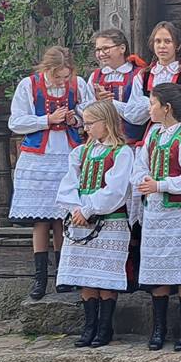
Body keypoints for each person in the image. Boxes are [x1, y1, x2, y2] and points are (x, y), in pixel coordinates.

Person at [8, 46, 96, 299]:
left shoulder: (78, 84)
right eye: (58, 76)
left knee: (62, 215)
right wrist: (47, 119)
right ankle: (40, 278)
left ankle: (63, 274)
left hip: (67, 154)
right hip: (38, 157)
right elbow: (15, 121)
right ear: (47, 70)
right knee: (41, 218)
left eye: (66, 76)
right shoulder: (29, 84)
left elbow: (90, 113)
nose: (63, 81)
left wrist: (75, 120)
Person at [56, 99, 142, 348]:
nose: (87, 128)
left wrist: (89, 208)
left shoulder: (122, 152)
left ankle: (105, 328)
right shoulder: (80, 152)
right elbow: (69, 184)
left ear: (106, 122)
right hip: (80, 221)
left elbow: (116, 190)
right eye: (86, 123)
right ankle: (89, 326)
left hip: (109, 221)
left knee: (105, 276)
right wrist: (76, 209)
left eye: (92, 123)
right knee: (85, 276)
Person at [138, 82, 181, 350]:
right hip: (155, 211)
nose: (149, 108)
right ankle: (159, 327)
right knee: (157, 267)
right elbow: (141, 164)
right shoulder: (153, 134)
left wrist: (161, 184)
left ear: (167, 108)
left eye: (153, 103)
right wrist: (144, 182)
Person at [88, 28, 152, 145]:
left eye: (106, 48)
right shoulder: (95, 77)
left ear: (122, 48)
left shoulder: (139, 75)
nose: (101, 54)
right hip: (102, 144)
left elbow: (139, 113)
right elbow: (87, 110)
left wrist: (111, 103)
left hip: (133, 143)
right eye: (98, 50)